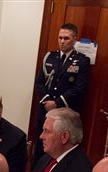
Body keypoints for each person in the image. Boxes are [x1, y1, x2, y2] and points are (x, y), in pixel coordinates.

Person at [33, 22, 90, 164]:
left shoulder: (81, 61)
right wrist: (47, 100)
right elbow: (39, 81)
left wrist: (57, 103)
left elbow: (79, 88)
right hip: (45, 110)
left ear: (75, 39)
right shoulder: (49, 57)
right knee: (41, 146)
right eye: (60, 38)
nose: (62, 41)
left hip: (66, 112)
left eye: (66, 38)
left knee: (61, 147)